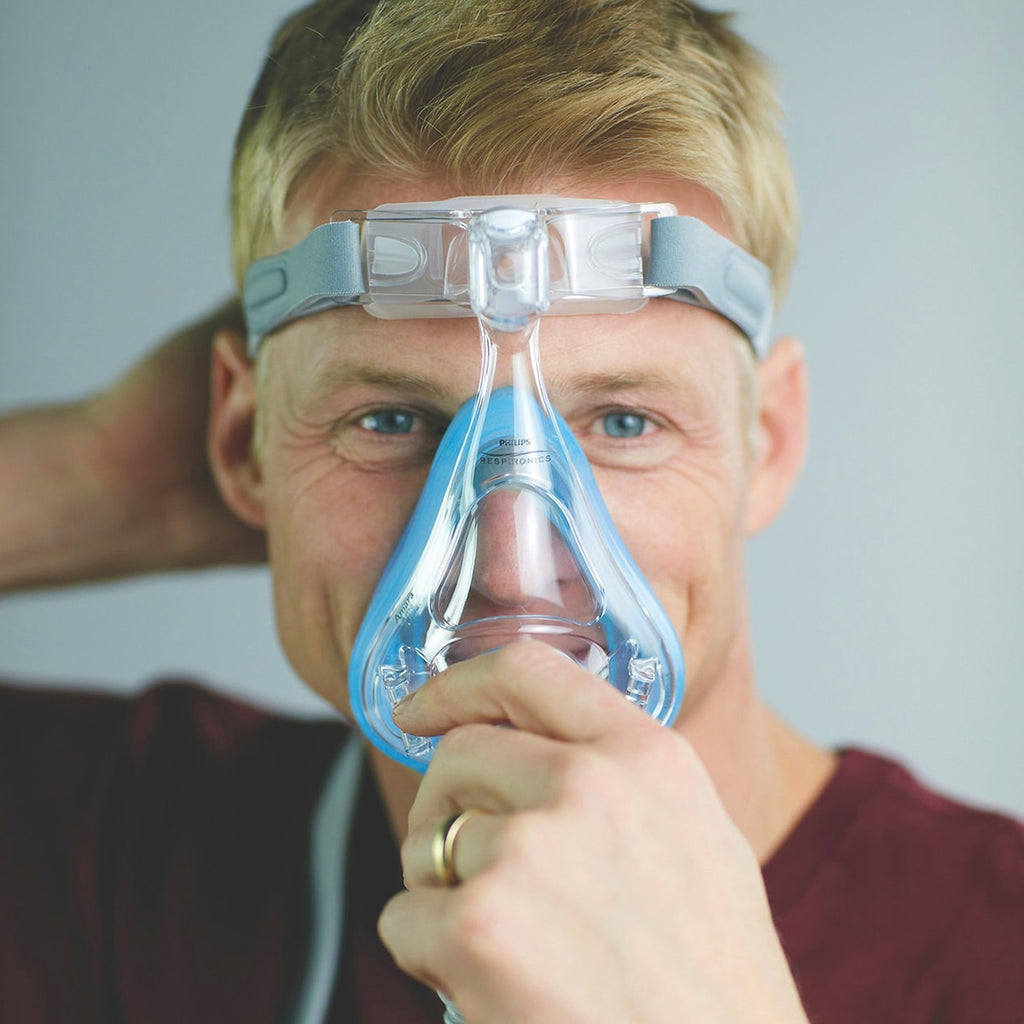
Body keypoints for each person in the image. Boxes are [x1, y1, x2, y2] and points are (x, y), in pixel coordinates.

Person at [1, 1, 1021, 1021]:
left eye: (622, 421)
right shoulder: (116, 856)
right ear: (241, 441)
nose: (511, 565)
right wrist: (94, 479)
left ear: (768, 441)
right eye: (392, 417)